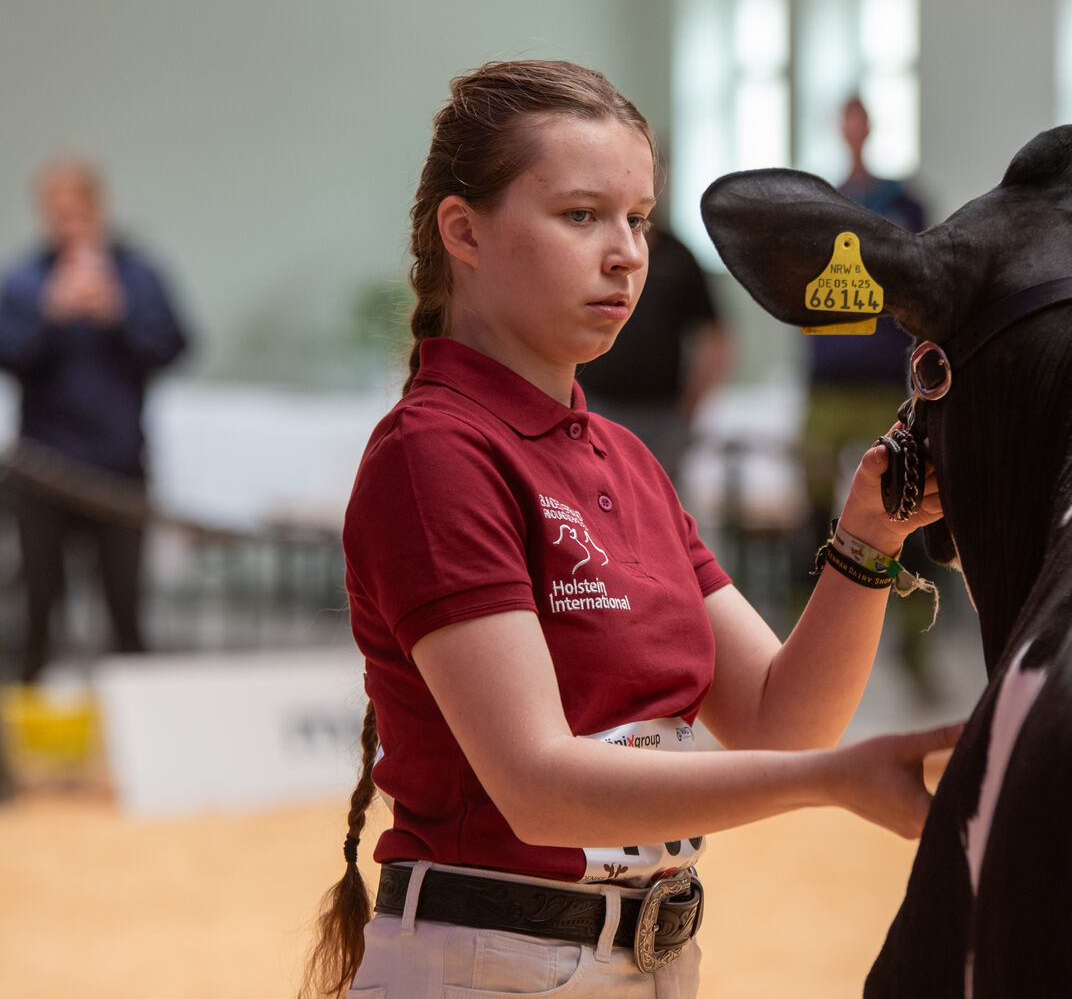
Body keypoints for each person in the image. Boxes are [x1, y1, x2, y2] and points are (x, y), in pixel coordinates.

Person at [302, 60, 957, 999]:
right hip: (492, 967)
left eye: (638, 218)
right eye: (580, 215)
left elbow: (782, 720)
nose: (626, 254)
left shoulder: (623, 457)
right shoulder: (434, 451)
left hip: (651, 960)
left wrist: (867, 539)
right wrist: (828, 780)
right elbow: (539, 788)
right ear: (464, 231)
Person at [0, 158, 188, 683]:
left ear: (96, 207)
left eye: (75, 209)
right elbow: (8, 352)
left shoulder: (138, 274)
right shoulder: (24, 279)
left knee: (125, 610)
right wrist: (49, 313)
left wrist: (118, 315)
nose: (66, 221)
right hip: (43, 469)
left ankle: (138, 740)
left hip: (118, 466)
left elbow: (174, 343)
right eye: (54, 210)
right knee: (37, 609)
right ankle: (25, 742)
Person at [800, 95, 941, 698]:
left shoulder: (903, 204)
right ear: (839, 128)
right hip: (827, 384)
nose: (852, 129)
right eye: (845, 120)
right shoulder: (821, 204)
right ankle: (803, 650)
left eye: (860, 120)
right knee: (811, 516)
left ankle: (914, 645)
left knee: (905, 510)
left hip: (886, 382)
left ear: (870, 127)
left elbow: (925, 279)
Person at [577, 215, 729, 482]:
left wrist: (695, 399)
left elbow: (714, 332)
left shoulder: (677, 256)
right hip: (596, 402)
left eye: (637, 217)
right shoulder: (591, 252)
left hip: (663, 413)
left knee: (657, 503)